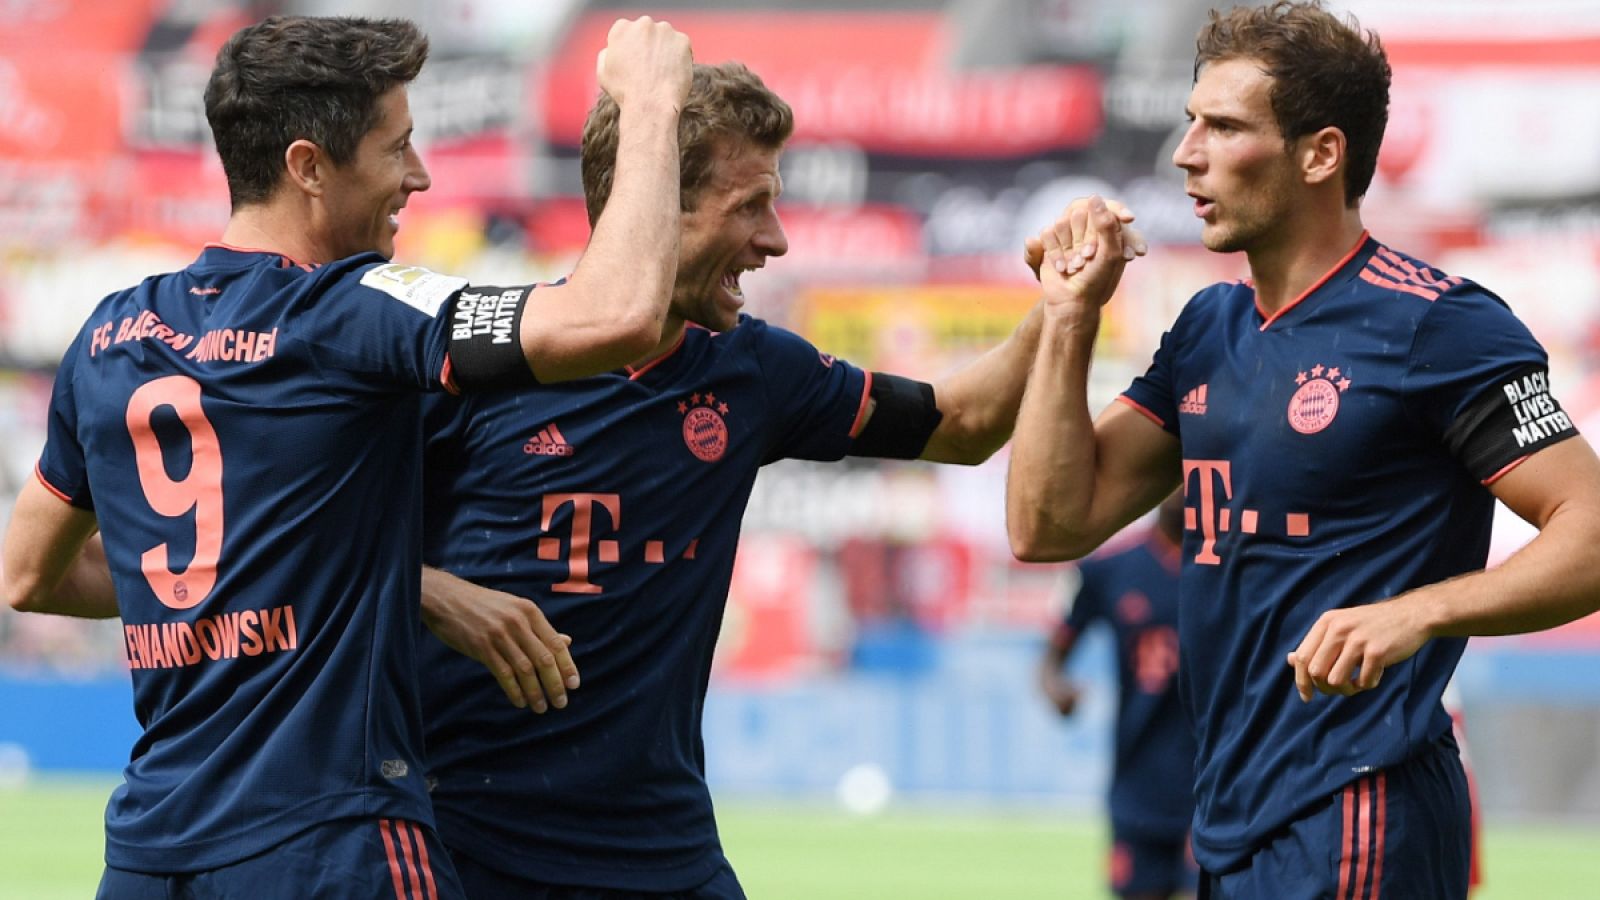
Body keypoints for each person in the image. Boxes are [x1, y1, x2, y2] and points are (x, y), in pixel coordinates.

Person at [1, 14, 691, 899]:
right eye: (394, 147)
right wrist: (653, 101)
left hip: (149, 854)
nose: (419, 174)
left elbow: (30, 575)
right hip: (326, 847)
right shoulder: (353, 311)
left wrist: (374, 583)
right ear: (307, 167)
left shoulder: (110, 335)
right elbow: (617, 318)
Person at [415, 61, 1143, 899]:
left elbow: (963, 424)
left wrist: (1057, 311)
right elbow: (296, 543)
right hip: (465, 842)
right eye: (749, 205)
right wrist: (436, 593)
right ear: (653, 203)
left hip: (660, 846)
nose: (777, 239)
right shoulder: (474, 355)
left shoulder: (752, 369)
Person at [1006, 2, 1600, 897]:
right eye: (1190, 122)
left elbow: (1590, 530)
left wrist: (1418, 612)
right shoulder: (1208, 327)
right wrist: (1067, 318)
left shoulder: (1437, 323)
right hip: (1232, 819)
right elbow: (1049, 523)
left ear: (1321, 154)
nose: (1186, 153)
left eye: (1225, 127)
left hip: (1363, 805)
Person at [1038, 491, 1196, 900]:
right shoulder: (1109, 568)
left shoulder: (1234, 566)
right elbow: (1053, 658)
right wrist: (1058, 688)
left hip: (1214, 783)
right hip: (1138, 784)